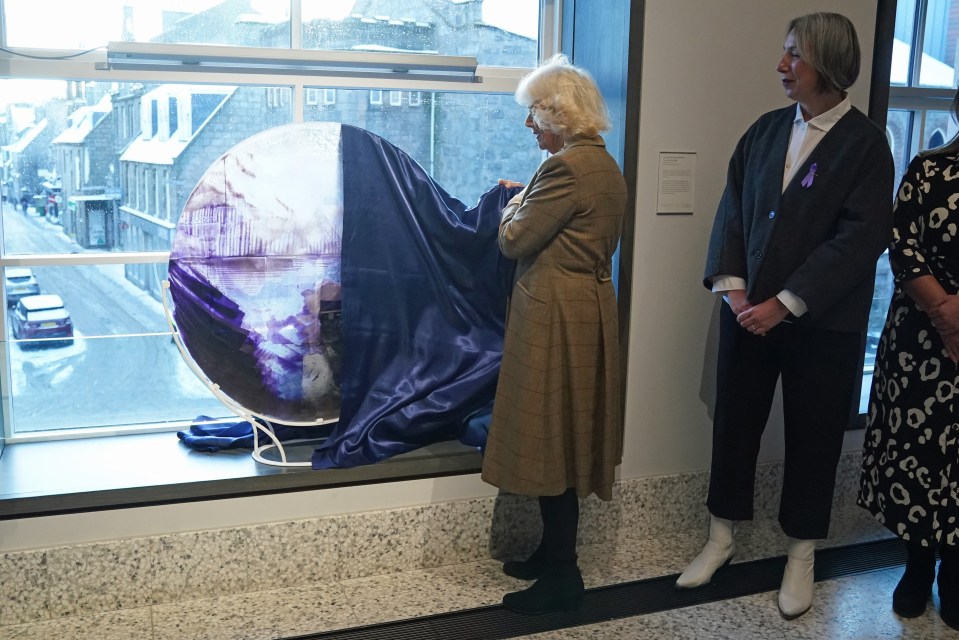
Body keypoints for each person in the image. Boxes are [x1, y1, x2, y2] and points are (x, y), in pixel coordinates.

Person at [678, 12, 894, 620]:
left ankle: (801, 552)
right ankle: (721, 536)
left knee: (814, 432)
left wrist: (786, 303)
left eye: (793, 55)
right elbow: (734, 212)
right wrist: (736, 292)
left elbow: (860, 237)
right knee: (735, 422)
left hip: (822, 325)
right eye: (784, 53)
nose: (781, 66)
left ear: (825, 62)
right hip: (746, 313)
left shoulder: (866, 144)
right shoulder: (767, 131)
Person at [480, 53, 627, 615]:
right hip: (585, 308)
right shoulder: (601, 164)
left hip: (554, 314)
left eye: (534, 115)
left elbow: (514, 239)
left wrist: (515, 200)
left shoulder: (563, 169)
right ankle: (552, 553)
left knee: (552, 442)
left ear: (558, 115)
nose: (528, 125)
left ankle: (564, 573)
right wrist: (531, 194)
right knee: (568, 435)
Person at [858, 87, 959, 629]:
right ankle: (917, 565)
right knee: (919, 454)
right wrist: (945, 313)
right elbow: (902, 244)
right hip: (920, 340)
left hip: (942, 322)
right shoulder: (928, 168)